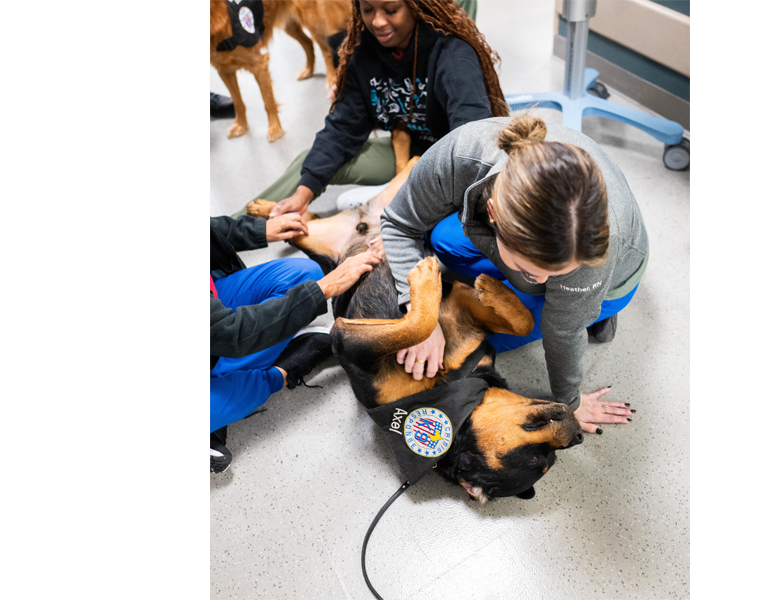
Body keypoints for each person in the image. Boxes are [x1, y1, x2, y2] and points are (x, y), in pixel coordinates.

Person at [380, 116, 646, 434]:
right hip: (529, 249)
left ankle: (597, 312)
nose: (544, 281)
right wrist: (422, 314)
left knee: (467, 341)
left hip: (608, 281)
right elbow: (398, 223)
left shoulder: (594, 243)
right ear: (493, 213)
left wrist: (570, 402)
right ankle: (540, 287)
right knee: (442, 241)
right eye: (533, 270)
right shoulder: (460, 155)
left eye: (555, 272)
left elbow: (564, 332)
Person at [263, 0, 507, 220]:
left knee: (446, 231)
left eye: (391, 10)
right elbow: (342, 129)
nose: (377, 21)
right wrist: (304, 192)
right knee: (309, 166)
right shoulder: (362, 52)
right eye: (367, 9)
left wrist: (407, 207)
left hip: (451, 165)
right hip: (408, 151)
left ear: (415, 6)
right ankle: (249, 226)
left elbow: (471, 144)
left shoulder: (452, 53)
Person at [210, 213, 383, 473]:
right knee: (236, 374)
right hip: (221, 330)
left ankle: (224, 394)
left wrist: (258, 229)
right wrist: (325, 289)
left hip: (215, 311)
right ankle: (282, 371)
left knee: (304, 275)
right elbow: (230, 333)